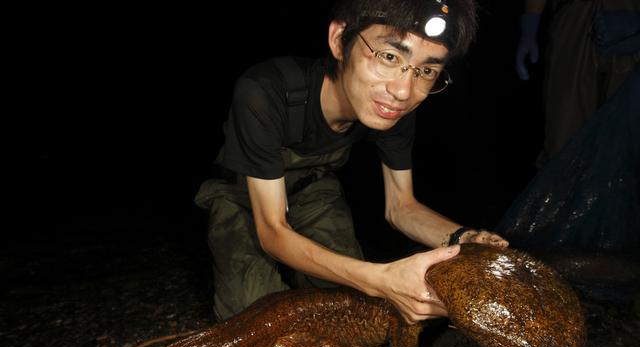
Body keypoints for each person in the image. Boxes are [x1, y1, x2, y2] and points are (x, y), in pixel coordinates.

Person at [195, 0, 508, 324]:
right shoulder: (265, 90)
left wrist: (466, 239)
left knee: (348, 310)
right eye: (389, 56)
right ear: (339, 39)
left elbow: (401, 207)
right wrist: (380, 279)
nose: (403, 91)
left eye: (426, 71)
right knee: (255, 318)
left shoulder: (395, 111)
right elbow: (272, 231)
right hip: (242, 195)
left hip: (312, 190)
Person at [515, 0, 639, 167]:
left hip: (631, 31)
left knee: (625, 151)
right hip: (572, 25)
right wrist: (530, 23)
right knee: (561, 148)